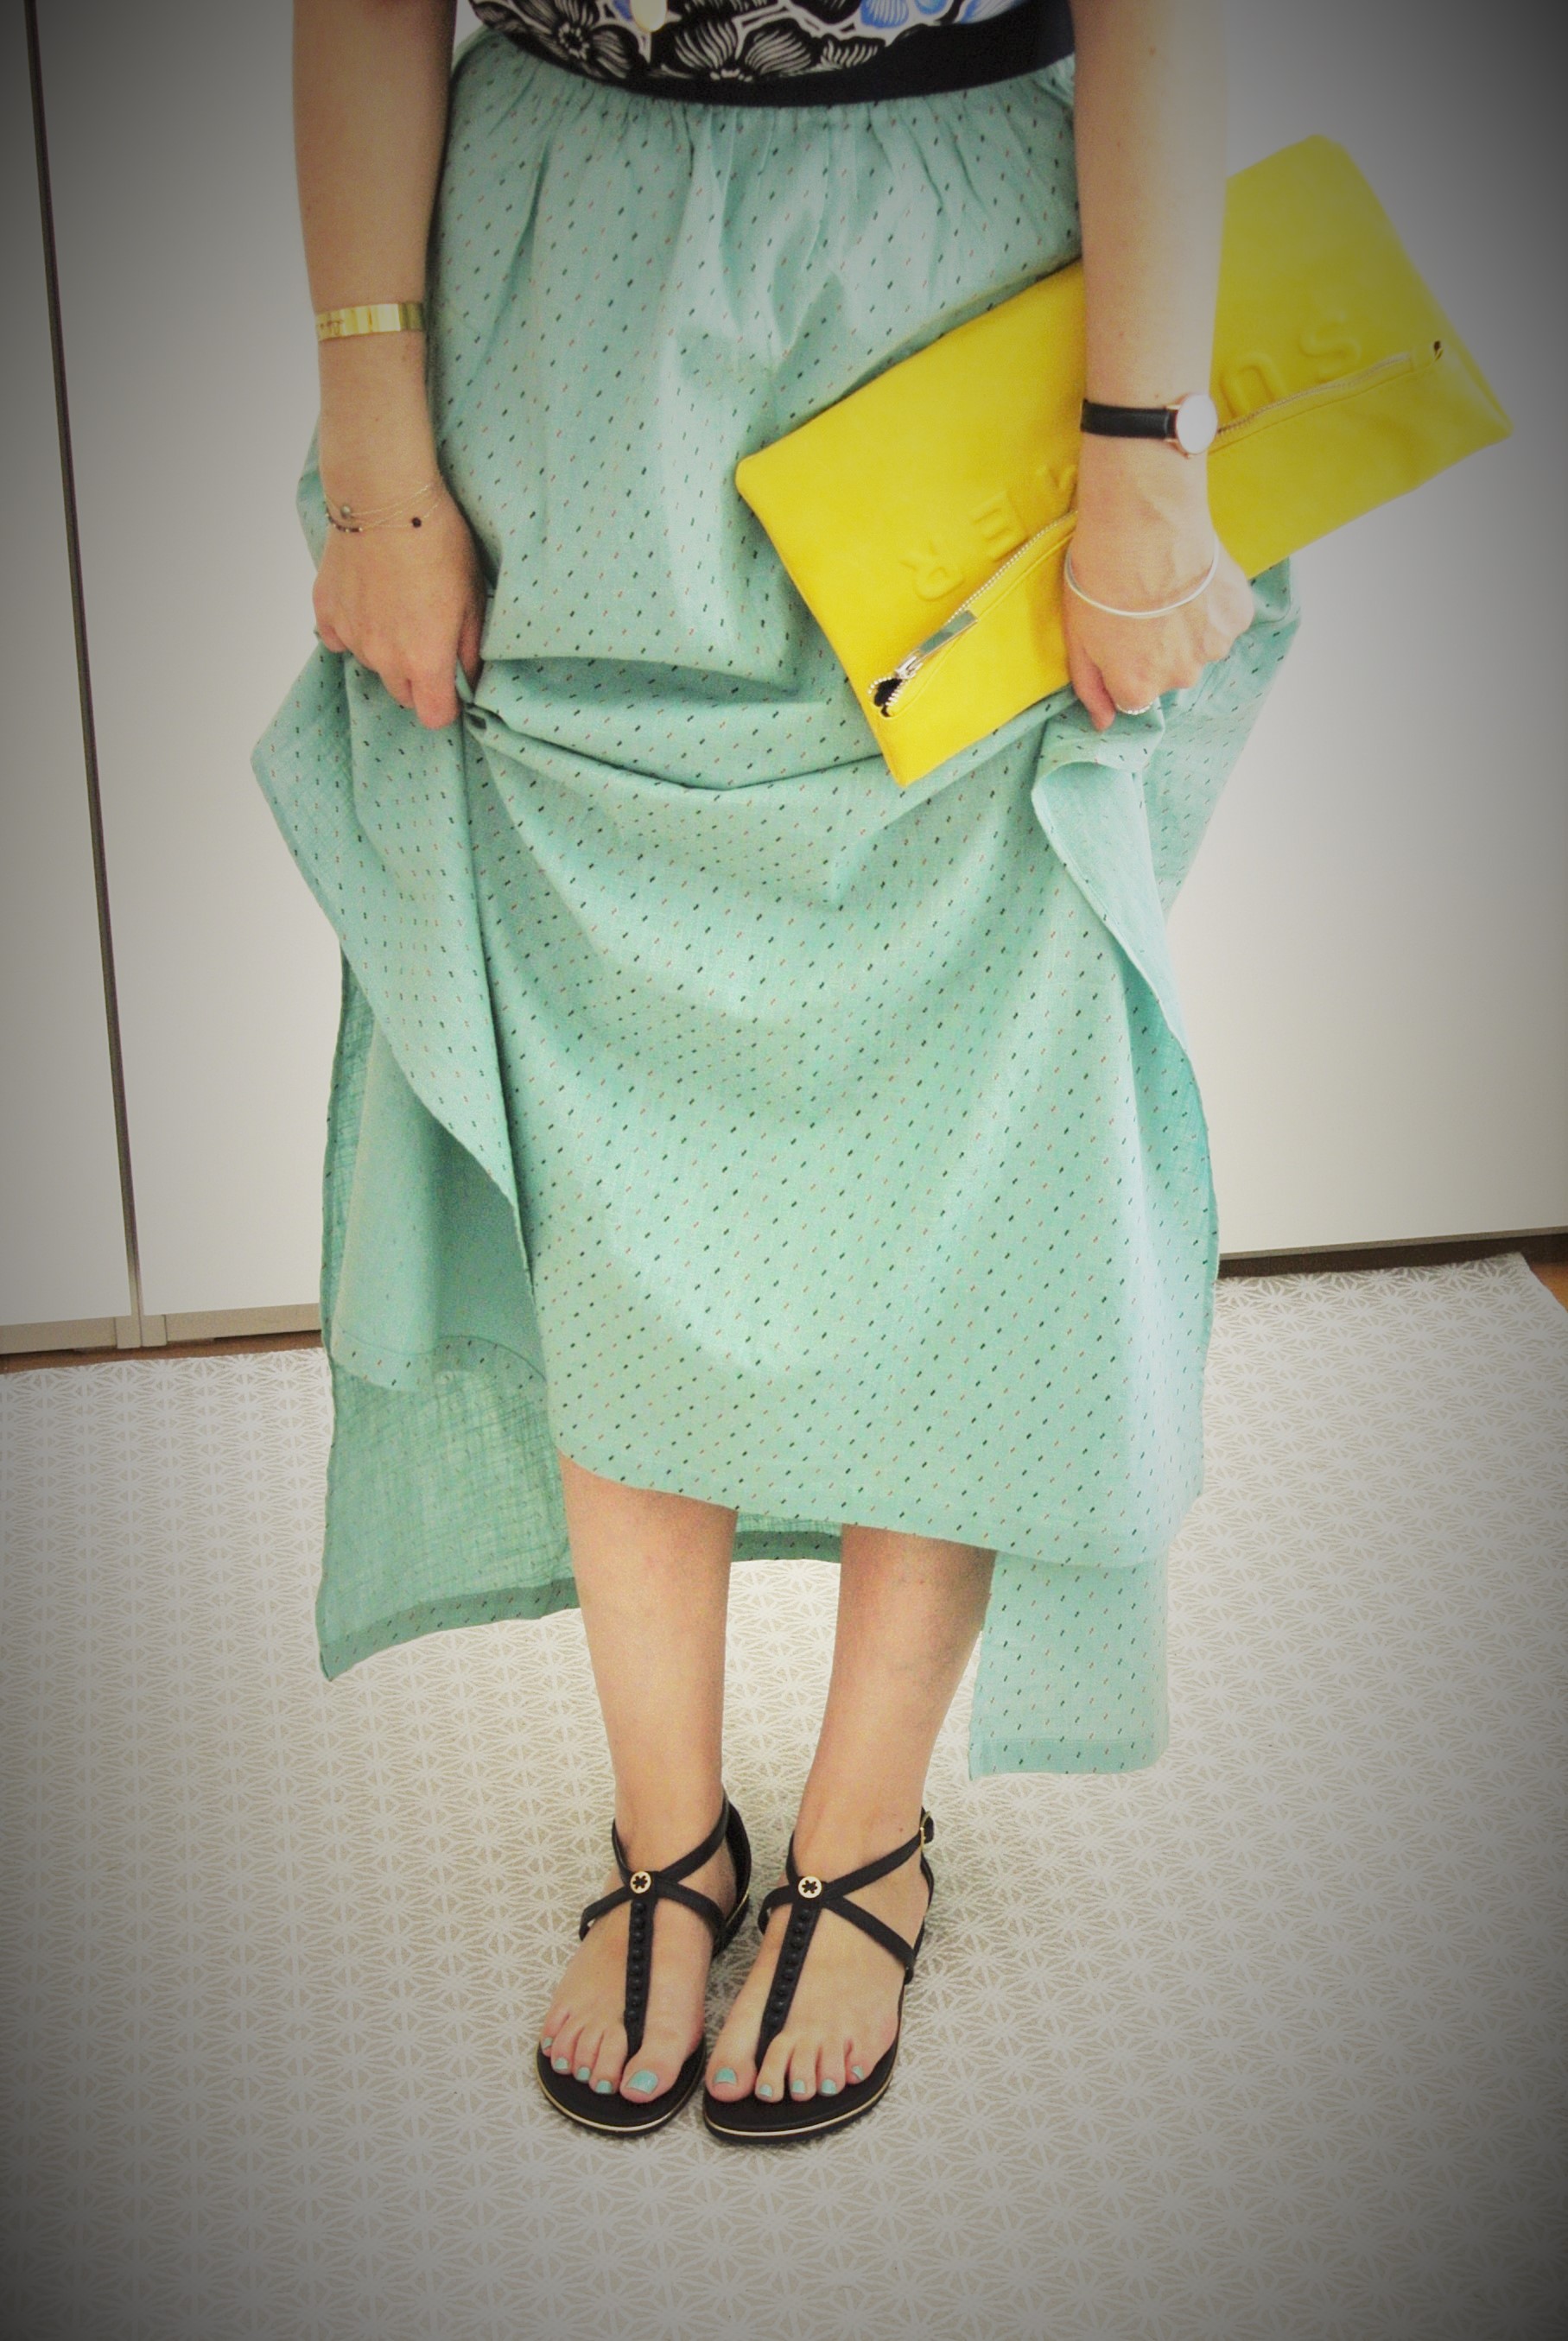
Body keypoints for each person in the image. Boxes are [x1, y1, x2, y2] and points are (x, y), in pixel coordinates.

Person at [259, 0, 1297, 2144]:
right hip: (563, 300)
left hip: (953, 285)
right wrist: (371, 427)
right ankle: (669, 1832)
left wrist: (1139, 433)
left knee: (969, 1091)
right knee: (596, 1110)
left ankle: (862, 1836)